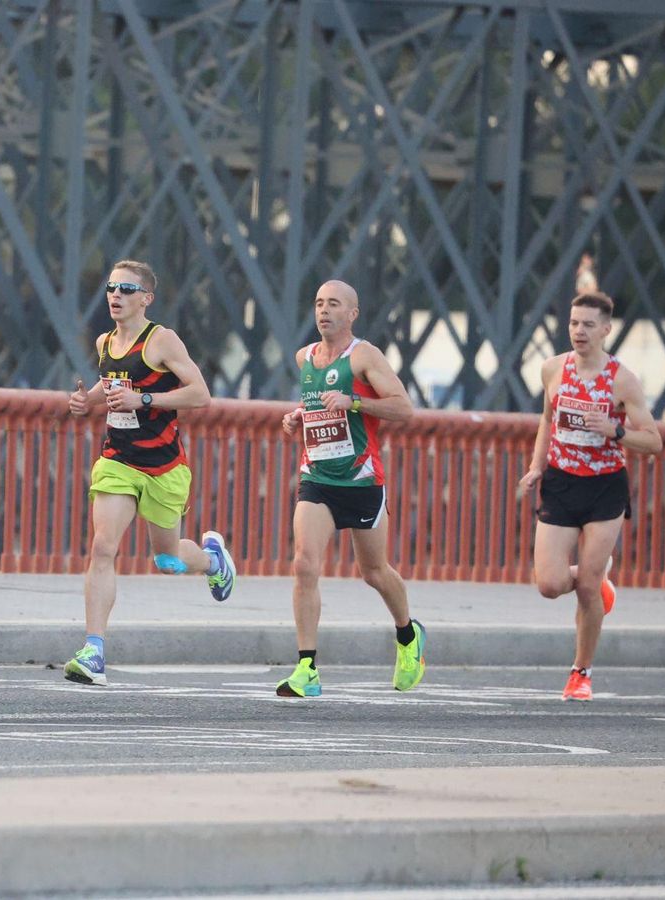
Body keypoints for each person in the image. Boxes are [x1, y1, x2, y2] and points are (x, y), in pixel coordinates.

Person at [62, 260, 236, 686]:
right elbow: (112, 388)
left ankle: (213, 560)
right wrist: (89, 403)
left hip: (163, 466)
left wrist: (144, 401)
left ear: (146, 299)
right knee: (102, 547)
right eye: (111, 288)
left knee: (168, 559)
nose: (115, 295)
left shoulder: (161, 340)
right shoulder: (105, 342)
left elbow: (200, 395)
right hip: (118, 461)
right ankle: (94, 651)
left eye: (126, 289)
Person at [276, 279, 423, 698]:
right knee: (304, 564)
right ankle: (307, 668)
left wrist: (355, 402)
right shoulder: (305, 357)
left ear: (352, 314)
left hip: (361, 479)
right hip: (317, 476)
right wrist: (298, 417)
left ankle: (408, 635)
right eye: (319, 303)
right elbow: (317, 406)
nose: (324, 310)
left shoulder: (363, 356)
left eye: (334, 304)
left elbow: (404, 408)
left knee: (374, 572)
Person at [517, 291, 661, 701]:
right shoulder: (552, 368)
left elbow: (653, 442)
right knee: (549, 584)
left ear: (606, 330)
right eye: (574, 323)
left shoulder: (621, 380)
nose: (579, 331)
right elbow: (547, 420)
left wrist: (615, 431)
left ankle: (581, 672)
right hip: (561, 483)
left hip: (604, 487)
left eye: (588, 325)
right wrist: (536, 466)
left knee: (586, 588)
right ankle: (595, 576)